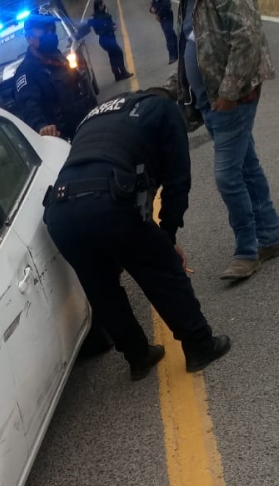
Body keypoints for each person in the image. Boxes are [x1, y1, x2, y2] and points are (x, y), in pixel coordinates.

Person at [43, 89, 230, 380]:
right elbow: (177, 182)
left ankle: (138, 357)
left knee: (101, 288)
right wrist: (167, 237)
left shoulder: (96, 114)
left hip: (60, 212)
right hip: (108, 201)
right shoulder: (164, 109)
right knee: (160, 270)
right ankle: (200, 345)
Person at [177, 0, 279, 280]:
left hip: (232, 99)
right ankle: (270, 236)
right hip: (209, 99)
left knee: (227, 176)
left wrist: (230, 92)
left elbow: (247, 36)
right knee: (246, 165)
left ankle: (247, 252)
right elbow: (191, 42)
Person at [13, 14, 97, 140]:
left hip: (85, 130)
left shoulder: (58, 58)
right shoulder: (26, 73)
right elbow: (30, 108)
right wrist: (42, 127)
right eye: (45, 31)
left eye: (52, 29)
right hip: (63, 141)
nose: (50, 34)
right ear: (29, 38)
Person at [88, 1, 132, 83]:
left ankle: (117, 75)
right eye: (102, 5)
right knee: (118, 53)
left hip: (110, 38)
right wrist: (111, 27)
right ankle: (122, 72)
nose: (104, 5)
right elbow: (99, 30)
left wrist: (113, 25)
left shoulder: (104, 14)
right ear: (99, 6)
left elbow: (110, 22)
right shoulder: (96, 18)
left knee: (113, 56)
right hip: (105, 39)